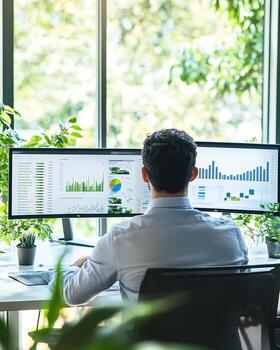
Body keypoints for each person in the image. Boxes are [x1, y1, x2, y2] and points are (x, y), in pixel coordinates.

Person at [58, 129, 248, 304]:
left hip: (149, 342)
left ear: (144, 175)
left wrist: (70, 269)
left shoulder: (121, 238)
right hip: (214, 341)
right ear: (193, 174)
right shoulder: (231, 234)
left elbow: (72, 295)